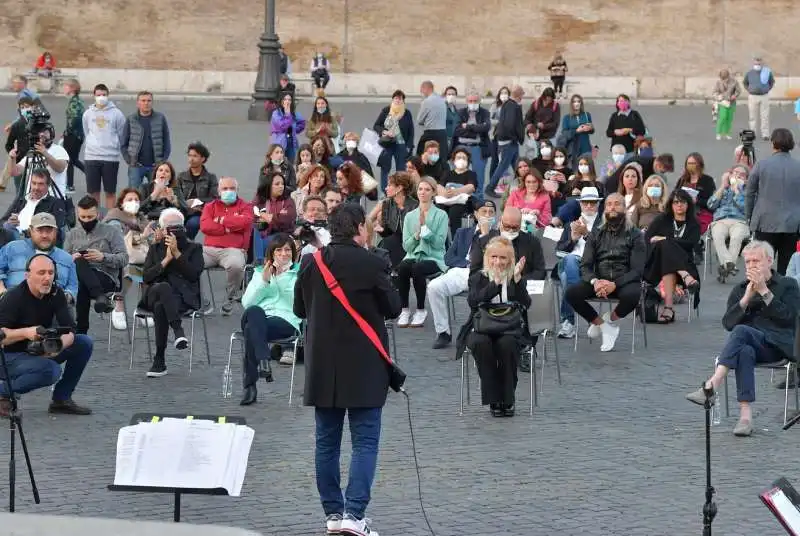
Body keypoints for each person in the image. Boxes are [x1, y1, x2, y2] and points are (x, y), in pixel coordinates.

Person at [293, 203, 401, 536]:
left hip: (323, 365)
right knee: (365, 443)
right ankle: (355, 516)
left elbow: (299, 307)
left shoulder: (311, 262)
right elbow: (394, 308)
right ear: (357, 228)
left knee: (326, 444)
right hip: (365, 365)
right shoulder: (371, 262)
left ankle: (333, 514)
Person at [686, 241, 800, 437]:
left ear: (769, 261)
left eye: (756, 260)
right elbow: (727, 323)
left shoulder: (788, 284)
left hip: (779, 345)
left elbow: (790, 318)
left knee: (741, 331)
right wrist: (746, 299)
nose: (751, 265)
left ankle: (713, 384)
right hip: (753, 346)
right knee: (743, 349)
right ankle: (745, 417)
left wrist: (765, 292)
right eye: (747, 262)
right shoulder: (740, 289)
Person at [0, 254, 92, 417]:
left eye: (51, 273)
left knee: (83, 343)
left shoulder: (56, 293)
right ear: (27, 275)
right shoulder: (13, 298)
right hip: (8, 354)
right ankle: (3, 393)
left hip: (37, 349)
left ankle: (61, 400)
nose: (47, 278)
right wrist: (27, 333)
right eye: (41, 273)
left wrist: (59, 346)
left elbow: (70, 329)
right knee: (51, 371)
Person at [564, 193, 646, 352]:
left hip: (624, 281)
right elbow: (585, 265)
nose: (613, 207)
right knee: (571, 293)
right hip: (599, 280)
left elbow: (637, 270)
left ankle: (610, 320)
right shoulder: (596, 233)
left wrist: (614, 284)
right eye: (609, 204)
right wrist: (595, 282)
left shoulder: (635, 234)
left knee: (634, 295)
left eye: (617, 204)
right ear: (604, 209)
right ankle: (604, 326)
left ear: (624, 208)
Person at [468, 236, 531, 417]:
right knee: (481, 343)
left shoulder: (515, 277)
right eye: (494, 257)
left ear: (510, 260)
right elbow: (473, 301)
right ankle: (494, 398)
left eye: (503, 258)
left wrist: (517, 281)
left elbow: (526, 304)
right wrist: (494, 284)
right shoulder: (478, 277)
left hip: (510, 327)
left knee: (507, 345)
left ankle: (508, 398)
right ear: (487, 257)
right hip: (483, 325)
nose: (498, 261)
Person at [140, 208, 204, 377]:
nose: (174, 231)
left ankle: (159, 360)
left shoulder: (194, 248)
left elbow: (193, 275)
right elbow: (146, 277)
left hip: (181, 299)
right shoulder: (155, 249)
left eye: (178, 226)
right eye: (170, 227)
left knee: (162, 306)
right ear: (161, 229)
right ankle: (178, 331)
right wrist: (166, 259)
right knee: (162, 288)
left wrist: (176, 253)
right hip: (152, 294)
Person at [239, 233, 302, 405]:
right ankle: (263, 359)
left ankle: (250, 384)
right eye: (279, 250)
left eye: (288, 250)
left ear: (293, 253)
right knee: (254, 311)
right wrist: (264, 282)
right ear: (272, 253)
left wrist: (284, 277)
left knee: (252, 330)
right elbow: (246, 303)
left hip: (285, 320)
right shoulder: (260, 272)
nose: (283, 254)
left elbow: (298, 304)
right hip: (258, 316)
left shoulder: (299, 273)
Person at [428, 199, 496, 349]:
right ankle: (443, 332)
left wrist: (485, 235)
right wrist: (466, 264)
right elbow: (448, 257)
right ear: (476, 215)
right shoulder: (463, 232)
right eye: (484, 212)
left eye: (491, 212)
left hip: (483, 274)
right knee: (434, 287)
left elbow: (495, 260)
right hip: (460, 271)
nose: (488, 215)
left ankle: (479, 330)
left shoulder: (497, 236)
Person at [64, 196, 128, 334]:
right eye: (83, 217)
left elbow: (124, 258)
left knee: (81, 281)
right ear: (78, 215)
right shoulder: (72, 235)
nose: (86, 220)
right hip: (79, 278)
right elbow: (63, 261)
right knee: (79, 266)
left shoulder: (111, 232)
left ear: (97, 214)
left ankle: (81, 331)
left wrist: (103, 256)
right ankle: (99, 297)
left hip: (105, 276)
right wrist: (70, 258)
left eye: (90, 217)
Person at [745, 128, 800, 275]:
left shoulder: (762, 165)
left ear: (773, 143)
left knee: (762, 265)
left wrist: (748, 216)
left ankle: (763, 294)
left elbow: (750, 192)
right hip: (792, 224)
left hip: (765, 222)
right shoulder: (798, 166)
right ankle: (785, 295)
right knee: (787, 267)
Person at [397, 177, 449, 327]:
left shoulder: (441, 215)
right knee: (403, 267)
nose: (423, 192)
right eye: (420, 189)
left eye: (427, 189)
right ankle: (404, 309)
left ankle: (421, 309)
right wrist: (416, 235)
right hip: (413, 255)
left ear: (433, 193)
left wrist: (425, 229)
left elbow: (439, 243)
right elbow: (406, 247)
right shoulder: (409, 216)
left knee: (417, 268)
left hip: (434, 258)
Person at [643, 189, 701, 323]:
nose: (679, 205)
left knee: (665, 246)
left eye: (682, 202)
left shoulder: (694, 223)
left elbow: (691, 244)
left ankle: (669, 308)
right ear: (670, 204)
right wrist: (664, 242)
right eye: (676, 202)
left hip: (684, 263)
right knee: (664, 247)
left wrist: (664, 239)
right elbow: (647, 239)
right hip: (657, 265)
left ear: (688, 205)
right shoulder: (661, 220)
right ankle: (685, 276)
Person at [200, 177, 252, 315]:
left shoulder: (245, 207)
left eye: (232, 188)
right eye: (225, 189)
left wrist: (220, 220)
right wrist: (230, 227)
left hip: (233, 250)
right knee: (189, 262)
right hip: (209, 250)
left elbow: (245, 222)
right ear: (218, 191)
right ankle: (201, 301)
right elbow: (205, 226)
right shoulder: (210, 206)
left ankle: (229, 297)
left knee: (236, 265)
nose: (228, 191)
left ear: (237, 190)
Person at [555, 187, 603, 339]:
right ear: (580, 204)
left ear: (597, 205)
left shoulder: (603, 224)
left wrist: (587, 234)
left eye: (592, 203)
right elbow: (559, 252)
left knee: (565, 279)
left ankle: (568, 322)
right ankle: (586, 314)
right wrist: (572, 240)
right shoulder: (570, 224)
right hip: (572, 264)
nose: (589, 206)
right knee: (569, 260)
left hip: (593, 266)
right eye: (585, 203)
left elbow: (604, 250)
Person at [0, 213, 78, 300]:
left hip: (50, 307)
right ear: (31, 230)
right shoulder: (12, 248)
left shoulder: (67, 258)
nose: (44, 235)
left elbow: (73, 287)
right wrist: (2, 291)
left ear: (56, 231)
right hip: (13, 303)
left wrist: (66, 297)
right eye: (40, 230)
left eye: (49, 231)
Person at [82, 84, 126, 208]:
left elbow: (122, 134)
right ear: (94, 96)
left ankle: (110, 220)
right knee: (93, 192)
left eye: (104, 95)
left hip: (110, 158)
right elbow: (87, 132)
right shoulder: (87, 114)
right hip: (91, 157)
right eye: (98, 95)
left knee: (110, 192)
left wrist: (114, 146)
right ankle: (95, 218)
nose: (101, 97)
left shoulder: (117, 114)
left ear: (108, 96)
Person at [708, 165, 750, 282]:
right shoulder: (723, 189)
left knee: (736, 237)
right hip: (720, 220)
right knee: (718, 236)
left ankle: (725, 266)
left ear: (746, 179)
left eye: (741, 174)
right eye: (735, 173)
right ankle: (729, 264)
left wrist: (737, 191)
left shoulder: (748, 191)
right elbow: (711, 205)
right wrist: (722, 187)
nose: (737, 176)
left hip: (739, 221)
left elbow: (746, 209)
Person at [122, 91, 172, 189]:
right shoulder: (131, 119)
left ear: (152, 102)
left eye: (149, 100)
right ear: (138, 103)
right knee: (133, 193)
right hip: (136, 166)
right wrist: (129, 160)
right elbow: (124, 143)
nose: (146, 103)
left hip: (156, 166)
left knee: (157, 193)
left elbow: (166, 141)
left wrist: (162, 161)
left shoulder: (160, 118)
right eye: (143, 100)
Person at [368, 171, 418, 267]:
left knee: (389, 243)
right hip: (392, 243)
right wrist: (381, 230)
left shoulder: (415, 206)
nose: (386, 188)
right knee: (388, 242)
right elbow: (387, 232)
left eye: (389, 185)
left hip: (410, 245)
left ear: (399, 188)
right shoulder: (386, 204)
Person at [1, 168, 66, 240]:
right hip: (11, 236)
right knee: (7, 226)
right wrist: (8, 222)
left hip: (32, 241)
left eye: (41, 184)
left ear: (48, 185)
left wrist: (29, 231)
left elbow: (58, 233)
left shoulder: (55, 203)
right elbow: (2, 221)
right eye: (34, 183)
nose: (36, 188)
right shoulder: (21, 199)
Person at [9, 123, 69, 197]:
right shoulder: (32, 152)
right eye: (39, 132)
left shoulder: (58, 150)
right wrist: (12, 158)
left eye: (45, 132)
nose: (42, 134)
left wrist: (45, 153)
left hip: (54, 199)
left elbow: (60, 168)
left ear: (51, 134)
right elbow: (15, 172)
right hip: (32, 199)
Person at [486, 86, 525, 198]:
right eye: (521, 95)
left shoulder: (507, 104)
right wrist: (515, 137)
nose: (522, 97)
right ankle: (490, 187)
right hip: (509, 142)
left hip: (507, 141)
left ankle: (524, 186)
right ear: (518, 95)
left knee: (517, 166)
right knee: (503, 165)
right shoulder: (513, 106)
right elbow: (510, 124)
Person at [453, 89, 491, 198]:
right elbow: (456, 130)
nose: (472, 103)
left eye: (475, 101)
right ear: (466, 101)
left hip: (478, 148)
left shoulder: (485, 113)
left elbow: (486, 127)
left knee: (479, 177)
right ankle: (461, 200)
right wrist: (475, 133)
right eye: (470, 101)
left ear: (479, 101)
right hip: (462, 148)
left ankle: (478, 202)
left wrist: (468, 127)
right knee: (460, 175)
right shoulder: (460, 113)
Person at [176, 141, 219, 239]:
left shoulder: (210, 177)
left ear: (203, 158)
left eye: (195, 156)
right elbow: (177, 195)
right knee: (173, 224)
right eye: (190, 155)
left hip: (199, 212)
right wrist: (184, 203)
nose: (191, 159)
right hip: (182, 210)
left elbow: (214, 198)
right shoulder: (181, 176)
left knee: (192, 224)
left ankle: (186, 245)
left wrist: (197, 201)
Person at [374, 90, 415, 192]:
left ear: (403, 101)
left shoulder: (407, 113)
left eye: (400, 98)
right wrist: (384, 132)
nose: (397, 100)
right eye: (396, 98)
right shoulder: (386, 110)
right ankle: (385, 191)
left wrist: (409, 146)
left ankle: (400, 190)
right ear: (392, 99)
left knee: (401, 170)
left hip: (401, 144)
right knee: (385, 168)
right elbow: (376, 126)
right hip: (387, 143)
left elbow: (411, 131)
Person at [252, 171, 296, 264]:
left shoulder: (288, 200)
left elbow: (287, 219)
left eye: (282, 184)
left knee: (259, 242)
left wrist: (267, 216)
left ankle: (258, 264)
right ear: (269, 186)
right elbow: (252, 214)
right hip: (263, 235)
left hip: (282, 235)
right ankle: (259, 261)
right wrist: (276, 217)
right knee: (256, 229)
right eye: (277, 184)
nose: (281, 186)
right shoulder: (260, 198)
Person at [61, 78, 85, 194]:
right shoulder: (74, 101)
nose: (64, 88)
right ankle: (91, 175)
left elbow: (75, 119)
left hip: (73, 135)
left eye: (66, 86)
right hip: (76, 134)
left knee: (69, 160)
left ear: (73, 88)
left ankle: (70, 186)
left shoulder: (75, 102)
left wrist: (68, 131)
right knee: (74, 159)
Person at [743, 56, 775, 141]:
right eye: (756, 63)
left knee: (765, 116)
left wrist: (767, 89)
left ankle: (765, 134)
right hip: (753, 96)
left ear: (762, 64)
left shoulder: (767, 72)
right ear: (753, 64)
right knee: (752, 116)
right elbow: (745, 82)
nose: (757, 65)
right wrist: (749, 89)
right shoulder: (749, 73)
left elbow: (772, 82)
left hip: (764, 96)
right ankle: (752, 133)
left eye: (759, 63)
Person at [416, 80, 449, 158]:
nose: (422, 93)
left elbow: (419, 120)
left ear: (426, 88)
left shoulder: (427, 101)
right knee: (442, 159)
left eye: (422, 90)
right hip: (443, 134)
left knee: (423, 158)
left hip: (430, 134)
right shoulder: (442, 100)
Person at [270, 93, 305, 163]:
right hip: (279, 142)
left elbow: (302, 123)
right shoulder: (276, 113)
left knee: (290, 163)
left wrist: (294, 129)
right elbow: (282, 126)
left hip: (291, 142)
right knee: (279, 162)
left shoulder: (294, 113)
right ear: (281, 101)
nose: (287, 101)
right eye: (285, 99)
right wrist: (288, 114)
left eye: (289, 100)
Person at [713, 69, 741, 141]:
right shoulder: (718, 82)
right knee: (723, 117)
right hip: (722, 102)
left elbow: (738, 90)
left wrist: (735, 95)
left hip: (731, 102)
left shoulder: (734, 81)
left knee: (729, 118)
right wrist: (718, 96)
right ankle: (718, 133)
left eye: (725, 79)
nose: (724, 80)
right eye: (723, 79)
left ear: (728, 76)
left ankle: (727, 133)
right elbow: (715, 92)